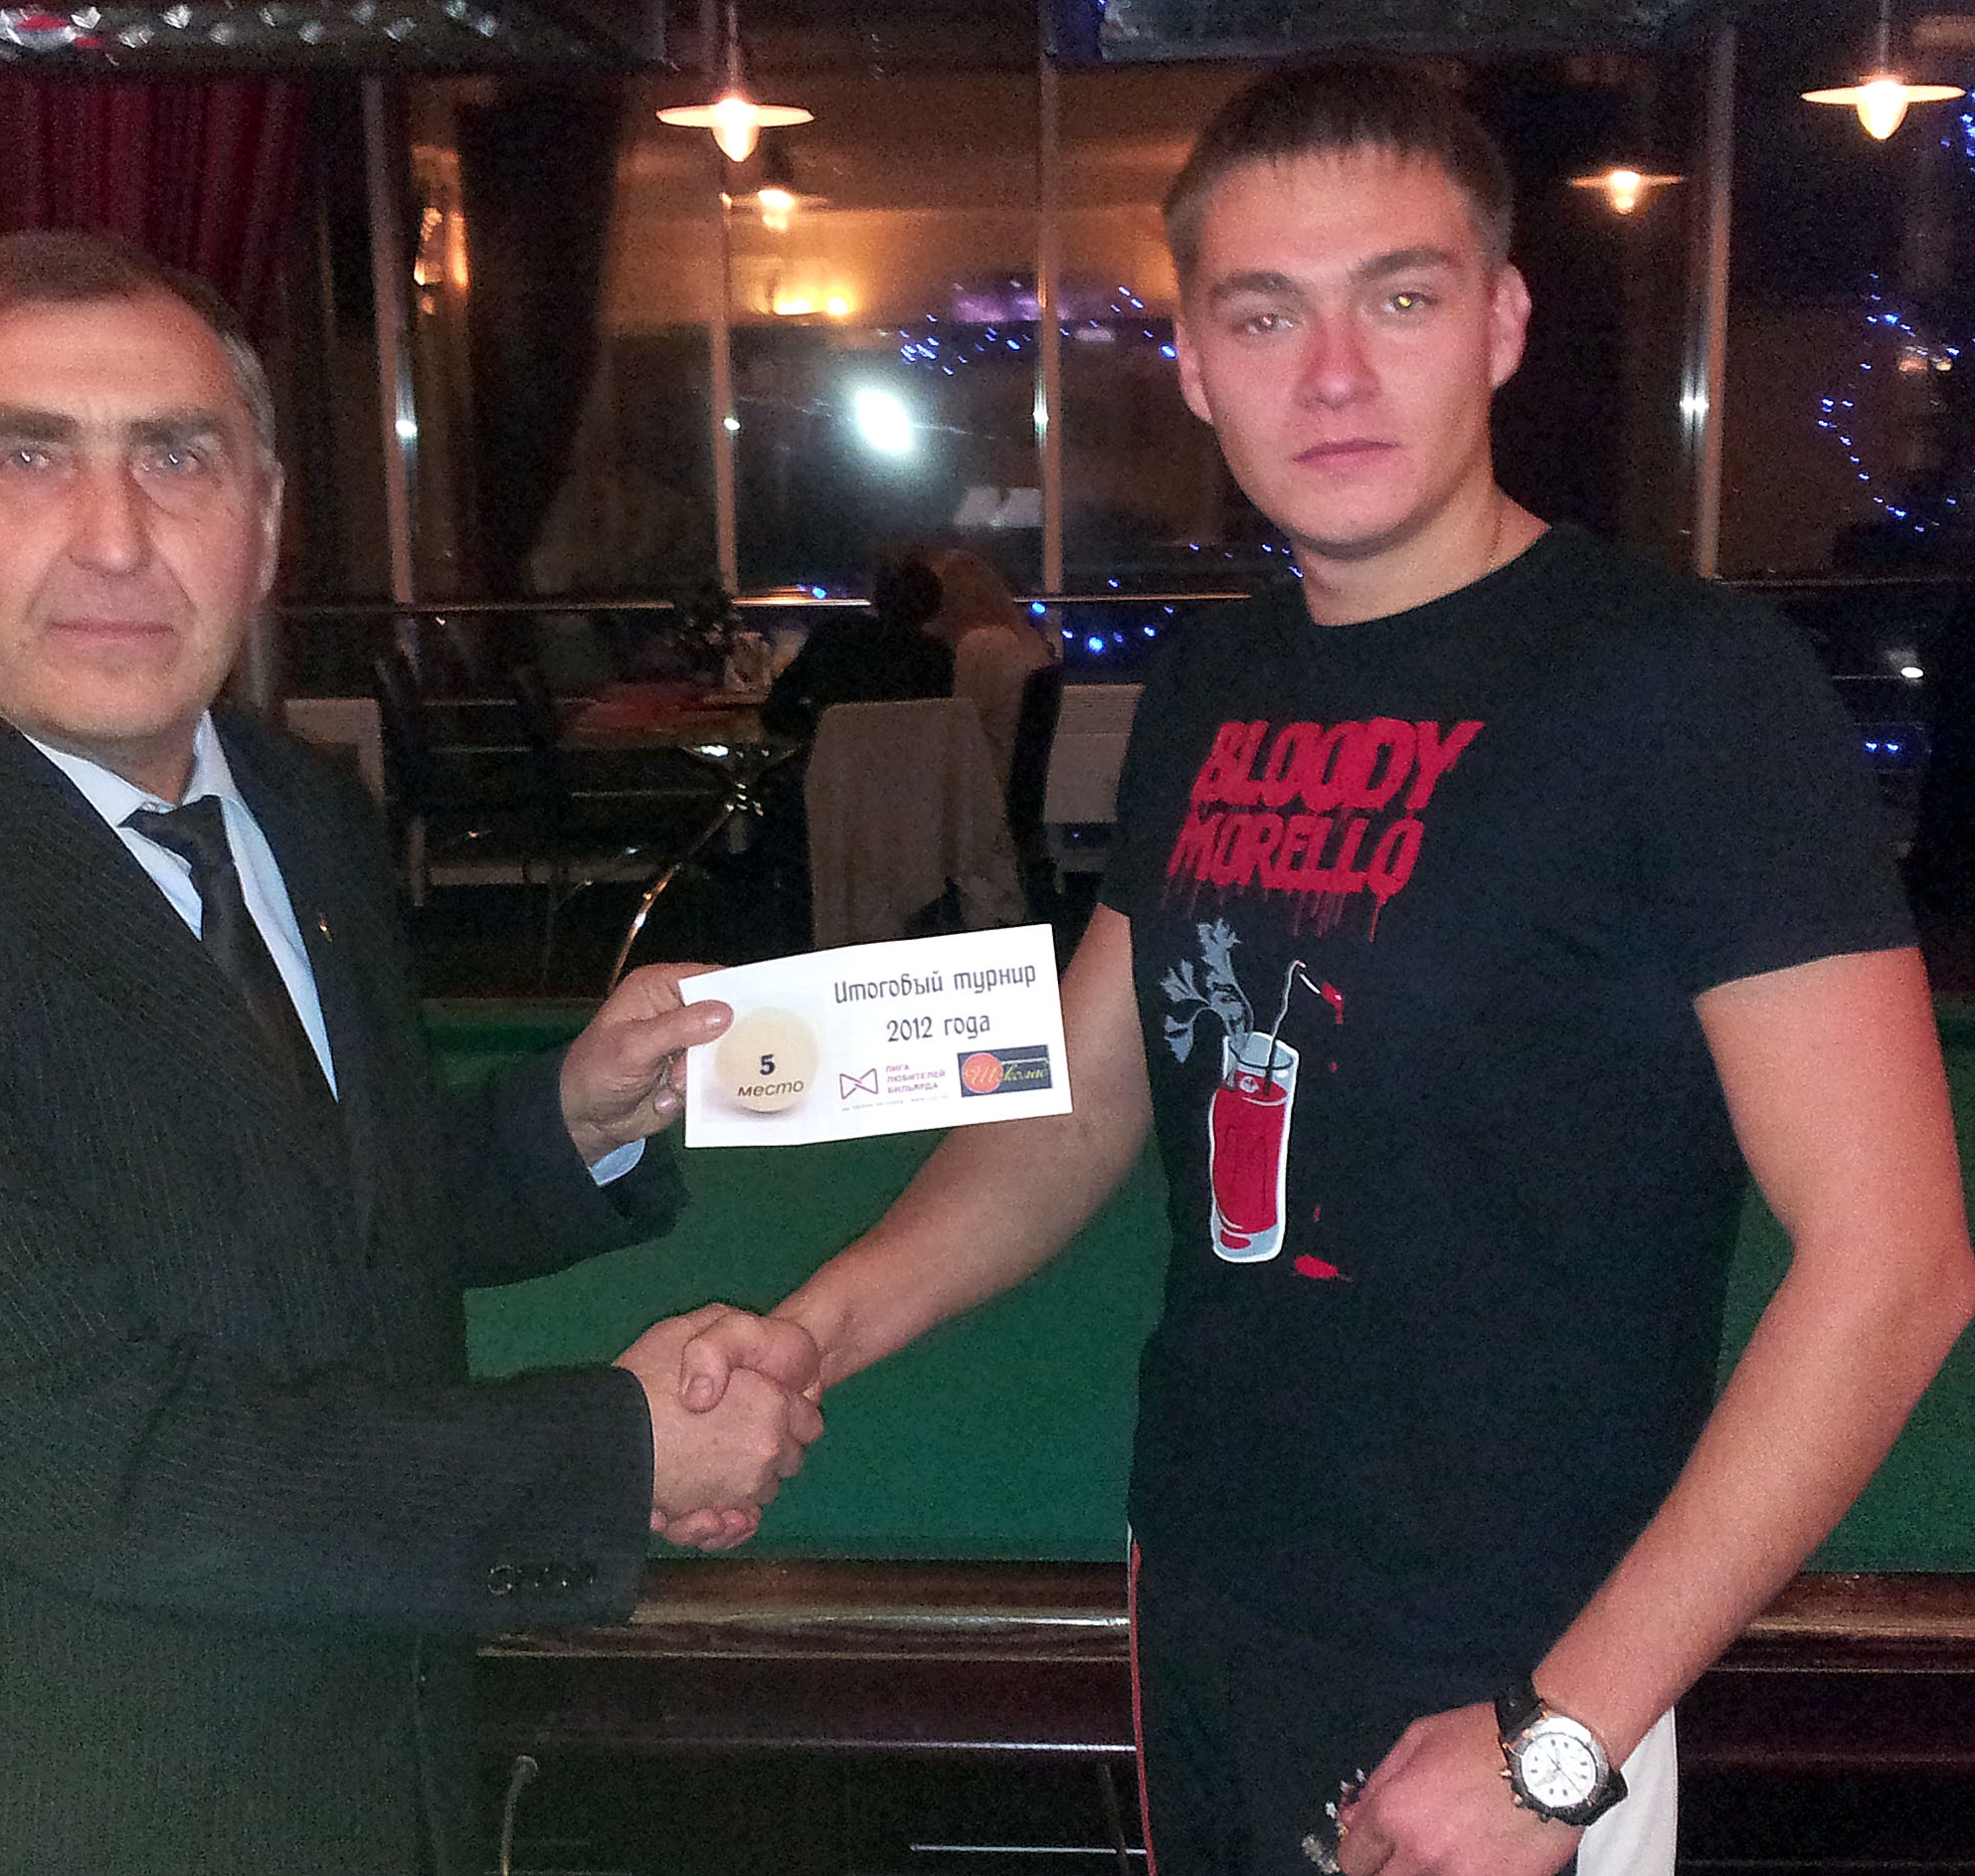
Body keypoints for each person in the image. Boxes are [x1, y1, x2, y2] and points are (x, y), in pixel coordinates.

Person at [674, 59, 1975, 1876]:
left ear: (1502, 323)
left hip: (1511, 1653)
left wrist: (1561, 1738)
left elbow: (1896, 1262)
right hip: (1208, 1576)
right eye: (1266, 314)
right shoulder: (1215, 681)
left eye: (1402, 298)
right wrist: (815, 1330)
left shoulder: (1683, 689)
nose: (1336, 374)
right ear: (1198, 366)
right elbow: (1082, 1102)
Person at [0, 231, 819, 1875]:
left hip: (365, 1783)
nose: (115, 537)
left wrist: (567, 1118)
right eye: (28, 456)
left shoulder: (295, 813)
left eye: (176, 459)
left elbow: (289, 1215)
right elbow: (103, 1469)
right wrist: (615, 1454)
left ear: (264, 518)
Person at [760, 551, 956, 741]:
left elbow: (777, 707)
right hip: (909, 762)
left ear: (878, 595)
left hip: (831, 759)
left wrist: (822, 730)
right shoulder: (937, 658)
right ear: (934, 608)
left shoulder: (835, 635)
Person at [925, 545, 1056, 789]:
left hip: (983, 787)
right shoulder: (1027, 640)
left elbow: (953, 729)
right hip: (1007, 780)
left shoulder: (982, 646)